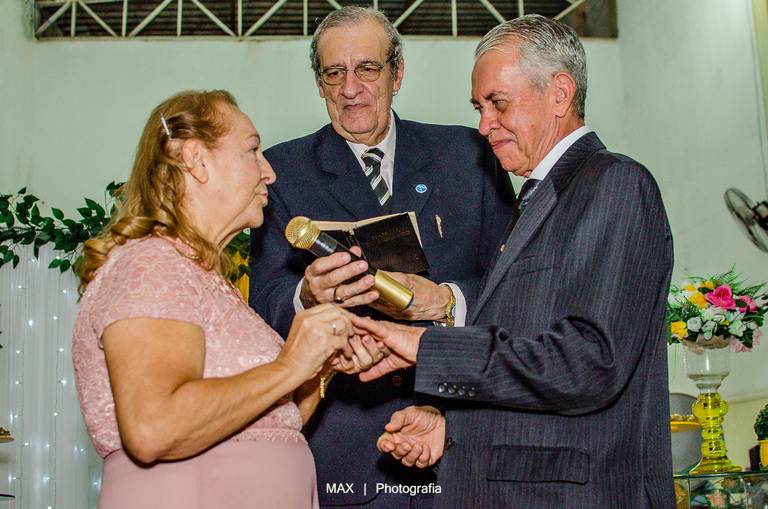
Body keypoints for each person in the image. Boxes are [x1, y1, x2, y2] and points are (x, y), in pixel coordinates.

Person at [352, 14, 677, 509]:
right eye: (479, 107)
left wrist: (431, 347)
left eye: (498, 104)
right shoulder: (534, 201)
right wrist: (453, 429)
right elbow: (531, 357)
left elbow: (590, 362)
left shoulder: (613, 185)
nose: (483, 126)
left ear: (560, 94)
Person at [248, 7, 515, 508]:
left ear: (397, 73)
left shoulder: (468, 154)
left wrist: (448, 299)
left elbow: (516, 285)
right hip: (348, 451)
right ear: (319, 83)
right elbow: (263, 305)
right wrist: (305, 296)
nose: (351, 88)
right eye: (334, 72)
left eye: (367, 69)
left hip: (463, 432)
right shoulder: (281, 172)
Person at [72, 90, 384, 509]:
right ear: (198, 161)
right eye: (253, 150)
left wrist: (319, 368)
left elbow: (276, 424)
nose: (269, 172)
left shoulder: (205, 277)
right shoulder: (152, 264)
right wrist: (291, 364)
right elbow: (153, 427)